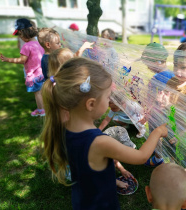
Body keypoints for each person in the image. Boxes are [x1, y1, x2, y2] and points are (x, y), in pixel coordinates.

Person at [40, 57, 167, 209]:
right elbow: (141, 157)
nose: (109, 102)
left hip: (82, 199)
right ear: (91, 104)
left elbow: (88, 170)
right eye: (107, 97)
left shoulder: (63, 128)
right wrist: (157, 132)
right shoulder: (99, 142)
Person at [146, 42, 186, 166]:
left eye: (183, 68)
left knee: (178, 154)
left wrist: (167, 105)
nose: (177, 72)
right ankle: (158, 158)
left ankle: (180, 166)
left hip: (181, 130)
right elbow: (166, 99)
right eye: (175, 66)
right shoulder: (172, 81)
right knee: (156, 134)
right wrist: (160, 101)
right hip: (168, 120)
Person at [0, 18, 45, 117]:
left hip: (34, 75)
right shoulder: (38, 43)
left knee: (37, 93)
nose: (20, 37)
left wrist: (7, 59)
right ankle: (44, 108)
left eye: (20, 35)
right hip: (42, 73)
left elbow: (22, 60)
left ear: (25, 33)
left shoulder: (26, 46)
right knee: (42, 92)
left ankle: (41, 110)